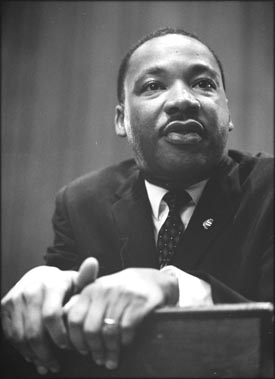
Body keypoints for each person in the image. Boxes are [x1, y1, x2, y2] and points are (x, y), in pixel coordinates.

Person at [1, 27, 273, 377]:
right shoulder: (81, 202)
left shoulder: (269, 188)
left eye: (204, 84)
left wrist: (171, 287)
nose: (183, 100)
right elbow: (62, 326)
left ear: (228, 113)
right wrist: (48, 286)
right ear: (121, 120)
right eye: (153, 86)